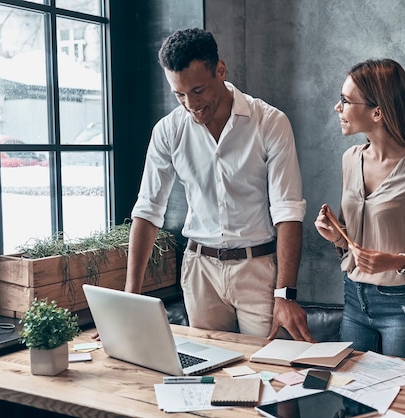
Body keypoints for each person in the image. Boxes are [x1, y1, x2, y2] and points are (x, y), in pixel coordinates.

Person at [126, 28, 313, 341]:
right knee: (208, 373)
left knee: (268, 371)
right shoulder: (168, 131)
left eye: (197, 90)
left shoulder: (269, 122)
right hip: (199, 269)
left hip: (257, 269)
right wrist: (130, 297)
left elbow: (288, 212)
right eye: (179, 94)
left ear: (220, 70)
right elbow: (147, 211)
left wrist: (285, 294)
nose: (190, 103)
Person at [314, 59, 405, 360]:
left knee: (401, 403)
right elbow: (353, 246)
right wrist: (337, 237)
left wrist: (395, 261)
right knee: (353, 400)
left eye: (344, 100)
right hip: (354, 299)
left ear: (377, 112)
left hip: (403, 306)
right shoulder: (350, 159)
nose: (336, 108)